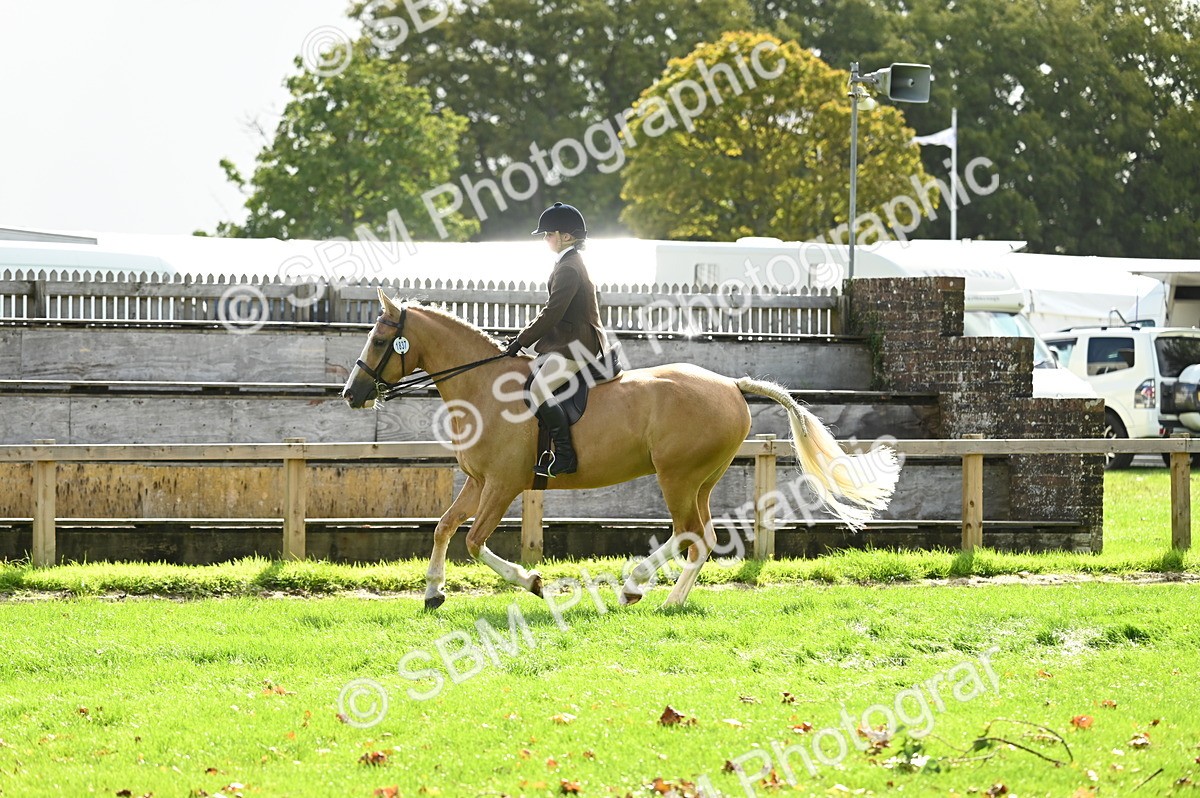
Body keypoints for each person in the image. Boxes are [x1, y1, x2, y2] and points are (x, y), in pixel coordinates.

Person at [504, 202, 609, 477]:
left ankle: (564, 456)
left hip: (577, 346)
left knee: (537, 390)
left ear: (568, 236)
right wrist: (521, 337)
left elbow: (552, 313)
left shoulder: (569, 268)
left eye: (549, 233)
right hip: (566, 341)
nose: (545, 238)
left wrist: (520, 342)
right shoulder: (567, 262)